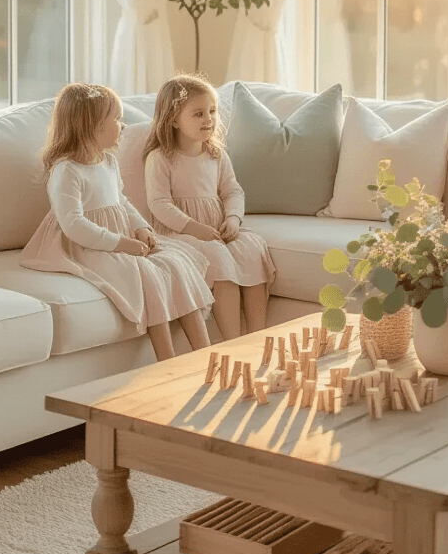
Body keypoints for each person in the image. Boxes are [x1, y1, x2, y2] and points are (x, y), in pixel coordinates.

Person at [20, 82, 213, 361]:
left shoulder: (108, 162)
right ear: (93, 126)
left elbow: (121, 201)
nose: (123, 126)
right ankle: (168, 362)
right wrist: (121, 243)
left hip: (121, 236)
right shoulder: (66, 170)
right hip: (88, 245)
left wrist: (141, 228)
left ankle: (206, 355)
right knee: (147, 274)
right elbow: (74, 225)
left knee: (176, 262)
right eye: (117, 120)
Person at [144, 74, 275, 340]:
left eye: (213, 112)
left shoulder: (216, 155)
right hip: (178, 233)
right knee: (217, 256)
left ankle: (258, 338)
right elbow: (159, 204)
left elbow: (232, 191)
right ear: (173, 120)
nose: (209, 119)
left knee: (252, 248)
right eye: (198, 113)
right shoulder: (160, 158)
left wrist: (234, 219)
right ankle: (232, 340)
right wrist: (194, 228)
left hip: (217, 228)